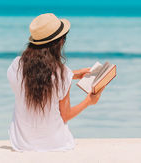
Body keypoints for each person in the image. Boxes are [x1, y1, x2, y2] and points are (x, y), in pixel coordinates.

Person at [7, 13, 105, 152]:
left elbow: (38, 75)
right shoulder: (62, 74)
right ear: (58, 43)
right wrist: (89, 101)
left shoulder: (15, 65)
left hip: (21, 143)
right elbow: (66, 116)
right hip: (55, 144)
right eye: (64, 38)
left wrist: (75, 74)